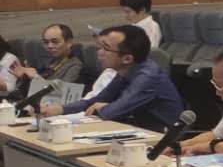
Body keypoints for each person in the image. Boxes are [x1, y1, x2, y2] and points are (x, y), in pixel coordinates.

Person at [55, 25, 183, 130]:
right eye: (100, 47)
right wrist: (60, 109)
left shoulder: (147, 77)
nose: (99, 52)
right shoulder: (125, 70)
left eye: (106, 48)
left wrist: (103, 107)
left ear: (127, 58)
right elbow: (97, 100)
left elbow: (113, 111)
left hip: (161, 137)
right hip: (138, 130)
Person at [13, 24, 85, 84]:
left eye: (55, 42)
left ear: (69, 42)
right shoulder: (47, 62)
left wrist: (36, 78)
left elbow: (63, 93)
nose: (49, 46)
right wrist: (25, 79)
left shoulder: (75, 66)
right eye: (46, 42)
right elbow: (28, 93)